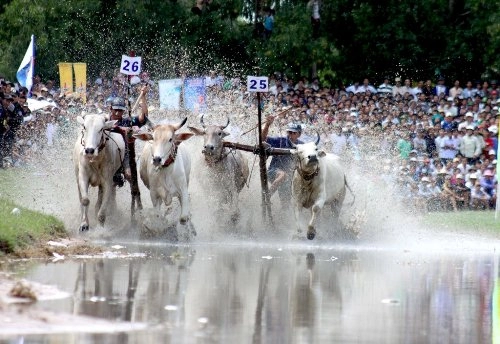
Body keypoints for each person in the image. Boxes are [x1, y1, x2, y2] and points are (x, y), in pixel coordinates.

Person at [109, 84, 150, 186]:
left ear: (124, 110)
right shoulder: (104, 120)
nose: (118, 113)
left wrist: (143, 96)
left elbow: (143, 118)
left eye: (120, 110)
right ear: (111, 108)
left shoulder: (128, 121)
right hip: (108, 153)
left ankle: (135, 194)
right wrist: (122, 129)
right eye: (116, 110)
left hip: (124, 154)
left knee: (130, 175)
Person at [262, 115, 303, 205]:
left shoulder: (302, 146)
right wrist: (267, 125)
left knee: (286, 204)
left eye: (293, 133)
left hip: (289, 179)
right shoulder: (280, 140)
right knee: (282, 175)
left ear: (299, 134)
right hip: (273, 172)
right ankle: (267, 196)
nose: (291, 134)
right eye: (289, 132)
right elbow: (263, 139)